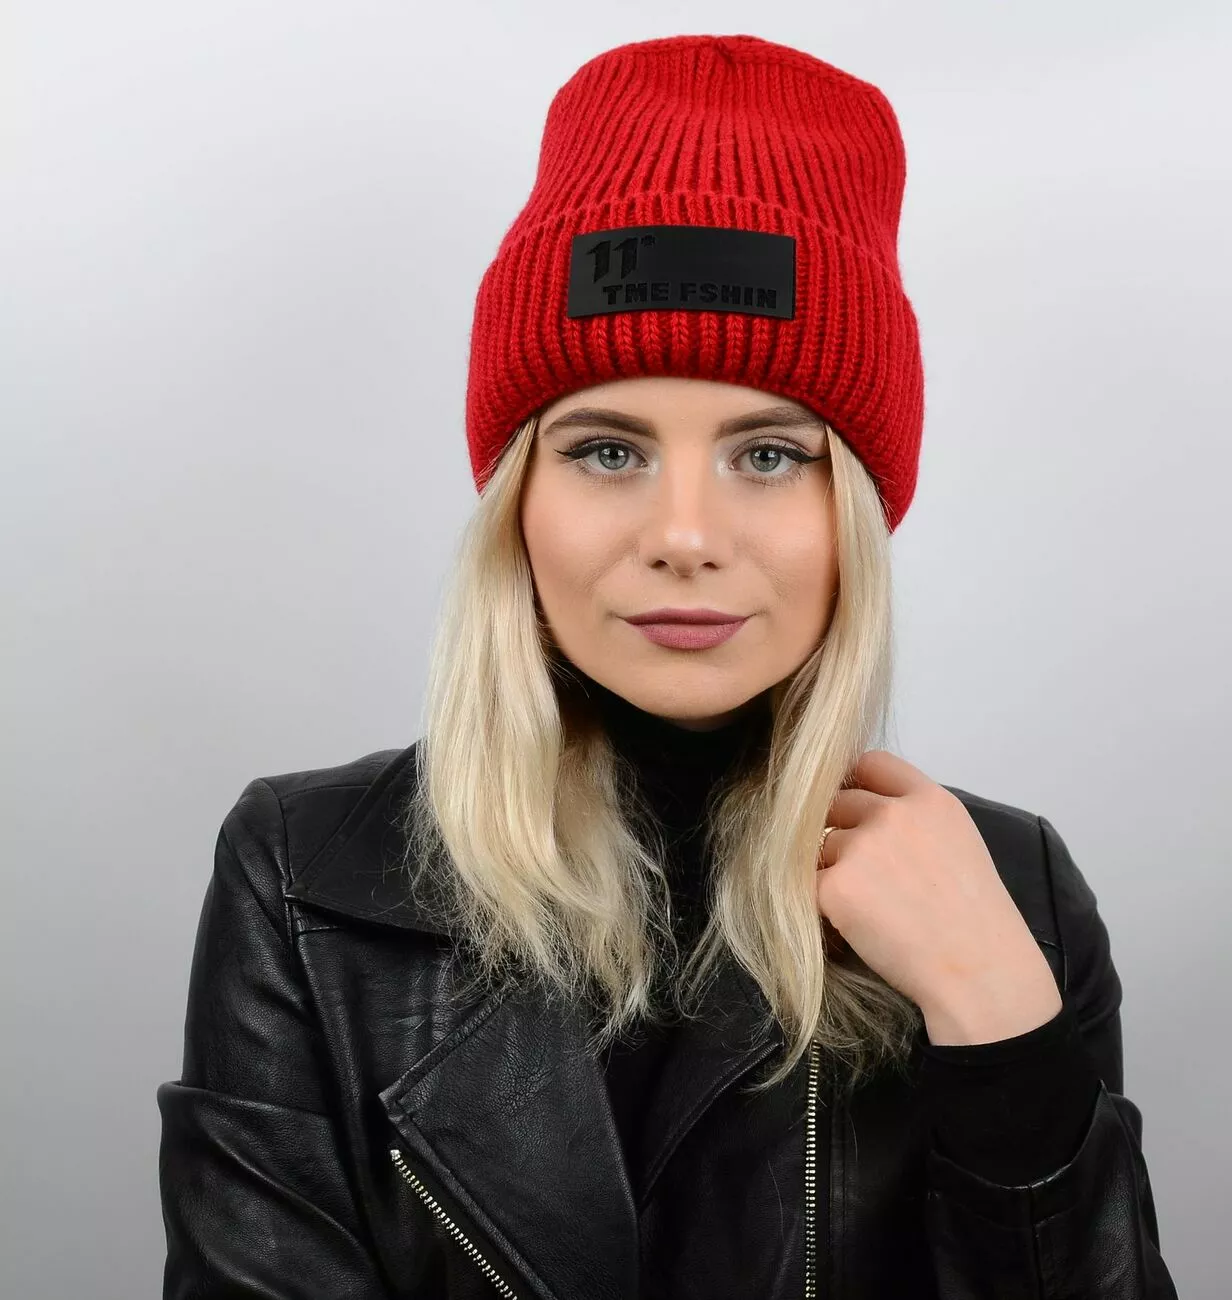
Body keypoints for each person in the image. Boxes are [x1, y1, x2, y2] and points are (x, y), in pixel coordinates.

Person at [157, 32, 1179, 1298]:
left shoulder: (1011, 894)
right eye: (607, 449)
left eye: (769, 455)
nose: (684, 536)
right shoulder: (308, 878)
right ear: (517, 504)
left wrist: (1000, 1021)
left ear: (852, 518)